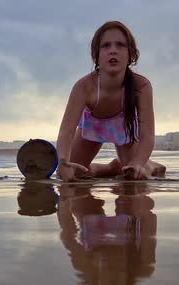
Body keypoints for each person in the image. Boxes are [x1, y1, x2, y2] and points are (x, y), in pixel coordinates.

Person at [56, 21, 166, 181]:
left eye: (120, 45)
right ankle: (111, 168)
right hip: (93, 127)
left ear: (131, 54)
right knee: (74, 173)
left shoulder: (141, 86)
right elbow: (66, 131)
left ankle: (151, 166)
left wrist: (138, 163)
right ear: (95, 56)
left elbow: (147, 136)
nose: (113, 50)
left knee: (136, 174)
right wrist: (63, 162)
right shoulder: (83, 87)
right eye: (106, 45)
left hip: (123, 128)